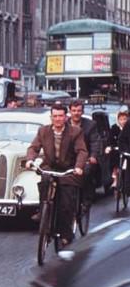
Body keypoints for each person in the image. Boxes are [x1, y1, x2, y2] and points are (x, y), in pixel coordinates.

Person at [25, 104, 88, 248]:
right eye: (55, 116)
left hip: (68, 170)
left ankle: (66, 233)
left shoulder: (75, 132)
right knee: (44, 185)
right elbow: (34, 147)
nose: (58, 119)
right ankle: (43, 211)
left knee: (66, 204)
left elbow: (82, 151)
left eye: (61, 116)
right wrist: (30, 160)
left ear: (66, 117)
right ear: (51, 117)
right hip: (50, 167)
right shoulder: (43, 131)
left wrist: (78, 167)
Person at [68, 100, 103, 201]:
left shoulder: (90, 125)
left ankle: (85, 201)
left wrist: (93, 156)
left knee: (87, 174)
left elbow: (95, 142)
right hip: (67, 158)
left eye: (79, 110)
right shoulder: (64, 124)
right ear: (70, 111)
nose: (76, 113)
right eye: (74, 110)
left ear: (82, 112)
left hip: (85, 158)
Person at [108, 105, 129, 188]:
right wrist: (109, 147)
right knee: (114, 157)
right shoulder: (114, 128)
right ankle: (115, 179)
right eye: (121, 119)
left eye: (125, 119)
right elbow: (110, 139)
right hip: (117, 149)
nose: (123, 121)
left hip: (127, 149)